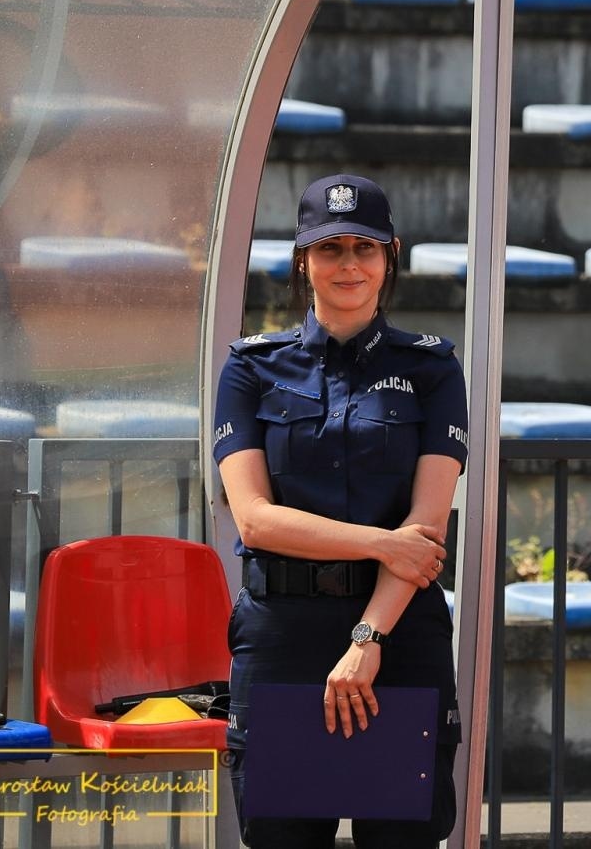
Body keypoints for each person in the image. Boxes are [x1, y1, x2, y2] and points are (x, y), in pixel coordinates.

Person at [212, 174, 467, 848]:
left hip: (398, 635)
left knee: (401, 839)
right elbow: (256, 522)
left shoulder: (433, 370)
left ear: (391, 256)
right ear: (303, 260)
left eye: (365, 247)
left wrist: (368, 639)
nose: (349, 264)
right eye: (330, 249)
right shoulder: (249, 369)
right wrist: (383, 545)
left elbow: (428, 527)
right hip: (283, 639)